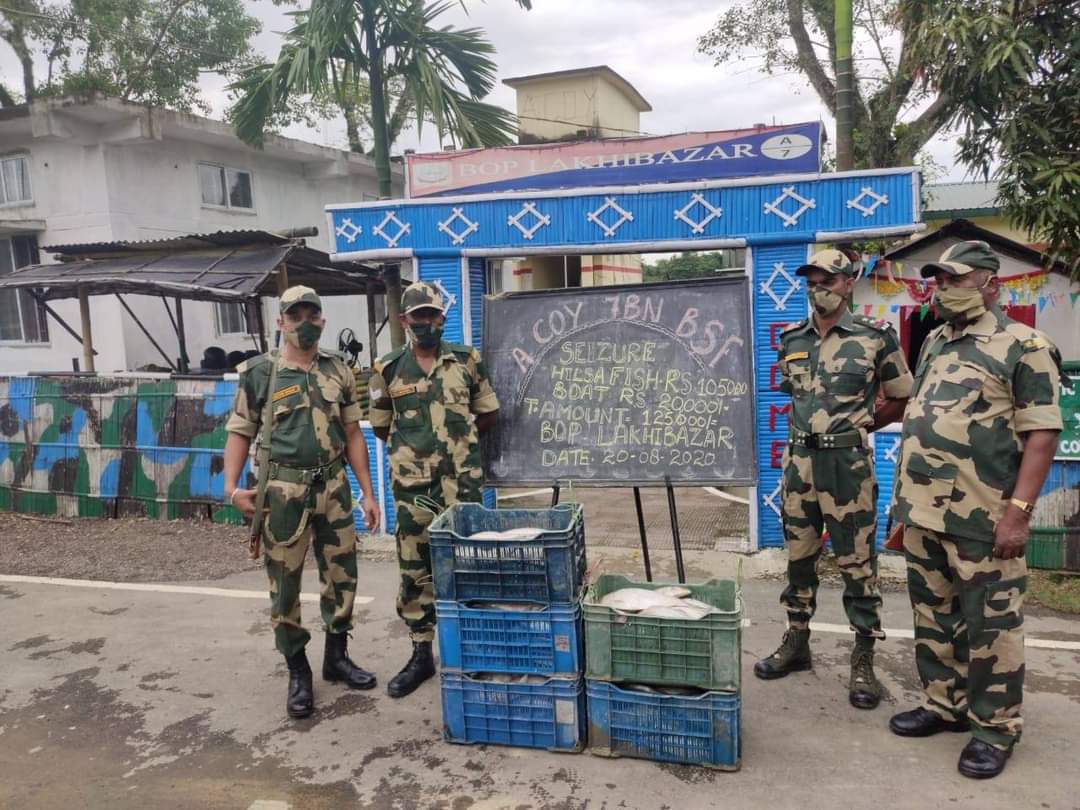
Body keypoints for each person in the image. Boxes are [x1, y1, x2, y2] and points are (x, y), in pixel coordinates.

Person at [888, 241, 1063, 779]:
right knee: (934, 619)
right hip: (924, 514)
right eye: (938, 281)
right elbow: (923, 418)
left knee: (991, 628)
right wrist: (903, 511)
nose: (943, 289)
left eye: (955, 280)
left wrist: (1018, 512)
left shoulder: (1026, 346)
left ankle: (995, 728)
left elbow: (1042, 434)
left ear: (991, 284)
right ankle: (945, 706)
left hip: (984, 518)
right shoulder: (937, 339)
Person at [754, 249, 913, 710]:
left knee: (856, 563)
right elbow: (796, 395)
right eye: (811, 279)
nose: (816, 286)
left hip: (848, 468)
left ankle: (863, 657)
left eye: (827, 279)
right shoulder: (791, 339)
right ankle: (797, 642)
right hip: (800, 463)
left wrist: (856, 428)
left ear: (848, 283)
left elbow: (900, 399)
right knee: (799, 557)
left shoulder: (874, 337)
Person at [223, 285, 380, 719]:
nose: (304, 323)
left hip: (333, 487)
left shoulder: (338, 369)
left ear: (323, 320)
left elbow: (352, 434)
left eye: (312, 315)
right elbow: (239, 431)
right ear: (281, 323)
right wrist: (232, 489)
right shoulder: (259, 373)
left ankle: (336, 656)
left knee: (342, 575)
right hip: (282, 493)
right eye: (296, 316)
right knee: (285, 585)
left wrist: (368, 492)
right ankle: (298, 671)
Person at [368, 281, 500, 698]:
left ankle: (476, 652)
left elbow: (488, 413)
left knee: (473, 566)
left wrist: (456, 448)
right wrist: (420, 454)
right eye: (418, 316)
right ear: (404, 320)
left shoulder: (466, 360)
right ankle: (421, 654)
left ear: (443, 317)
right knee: (415, 570)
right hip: (413, 492)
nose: (426, 322)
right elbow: (381, 426)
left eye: (433, 314)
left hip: (463, 486)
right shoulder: (386, 369)